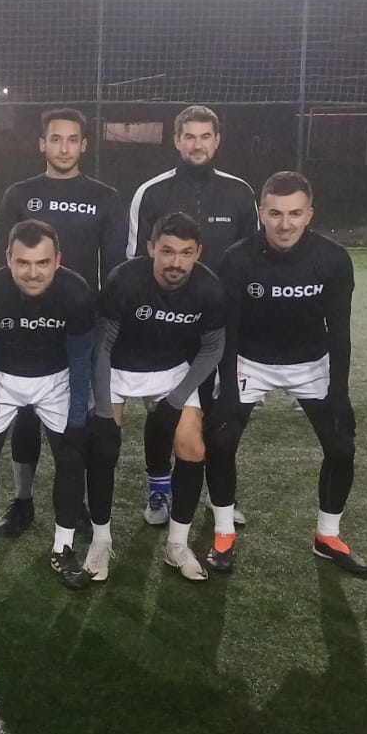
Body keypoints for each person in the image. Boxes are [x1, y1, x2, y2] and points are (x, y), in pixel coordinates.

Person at [208, 171, 367, 577]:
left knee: (342, 448)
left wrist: (340, 393)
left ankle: (327, 537)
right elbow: (228, 331)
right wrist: (228, 390)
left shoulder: (333, 259)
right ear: (261, 213)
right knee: (221, 441)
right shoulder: (237, 259)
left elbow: (340, 332)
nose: (285, 224)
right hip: (250, 361)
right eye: (276, 213)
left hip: (311, 363)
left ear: (309, 214)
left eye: (295, 213)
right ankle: (223, 532)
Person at [0, 107, 124, 538]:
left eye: (71, 140)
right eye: (55, 139)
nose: (63, 148)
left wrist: (104, 328)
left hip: (80, 329)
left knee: (75, 420)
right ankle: (23, 501)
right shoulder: (19, 194)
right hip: (26, 328)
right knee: (27, 417)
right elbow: (1, 267)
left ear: (83, 146)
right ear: (42, 144)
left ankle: (75, 505)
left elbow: (114, 270)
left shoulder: (105, 197)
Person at [125, 104, 257, 527]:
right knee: (163, 412)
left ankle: (220, 495)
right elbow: (135, 262)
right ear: (177, 141)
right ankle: (159, 490)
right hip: (165, 329)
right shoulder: (152, 193)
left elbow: (253, 261)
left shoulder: (239, 193)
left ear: (217, 141)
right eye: (189, 136)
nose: (197, 145)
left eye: (205, 137)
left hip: (220, 328)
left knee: (219, 415)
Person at [0, 220, 96, 590]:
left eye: (42, 263)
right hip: (1, 377)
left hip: (56, 378)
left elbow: (81, 360)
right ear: (8, 258)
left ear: (58, 260)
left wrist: (78, 418)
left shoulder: (77, 293)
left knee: (72, 456)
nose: (33, 273)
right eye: (23, 263)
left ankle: (63, 549)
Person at [86, 213, 225, 583]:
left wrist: (175, 401)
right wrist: (104, 413)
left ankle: (177, 545)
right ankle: (100, 541)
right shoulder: (124, 280)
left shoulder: (209, 288)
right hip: (118, 368)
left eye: (185, 253)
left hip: (170, 370)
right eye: (167, 251)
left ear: (198, 253)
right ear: (150, 248)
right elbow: (102, 347)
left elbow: (213, 348)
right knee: (102, 448)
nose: (175, 262)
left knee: (192, 447)